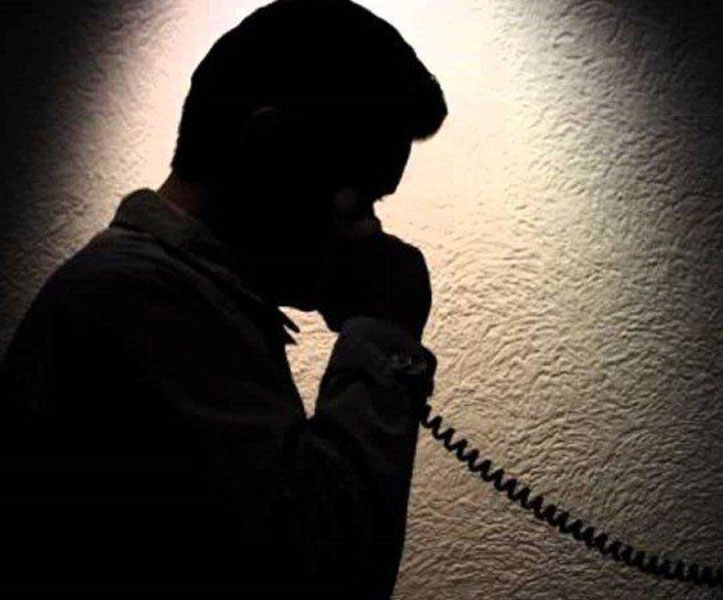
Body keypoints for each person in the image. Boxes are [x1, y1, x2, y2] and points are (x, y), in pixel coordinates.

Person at [0, 0, 446, 595]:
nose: (367, 227)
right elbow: (324, 574)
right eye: (357, 191)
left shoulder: (161, 294)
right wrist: (385, 330)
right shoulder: (145, 305)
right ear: (269, 149)